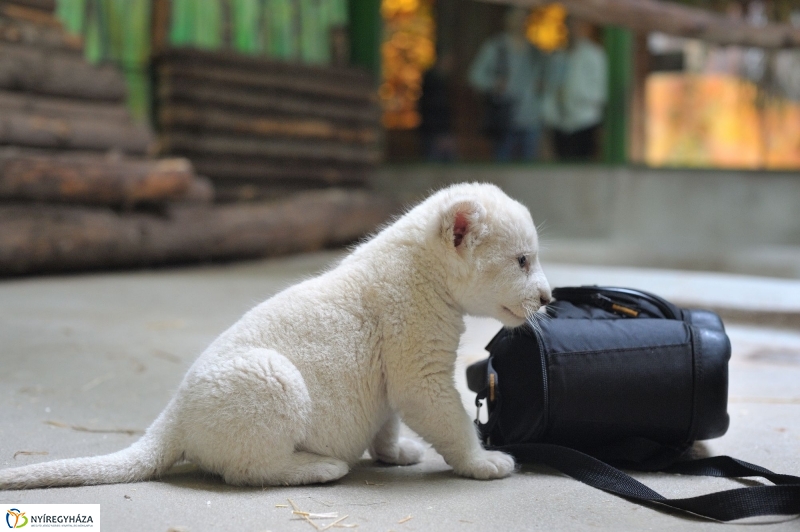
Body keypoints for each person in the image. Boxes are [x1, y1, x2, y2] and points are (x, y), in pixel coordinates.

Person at [469, 7, 547, 161]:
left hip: (531, 119)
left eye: (523, 17)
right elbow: (475, 76)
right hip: (505, 119)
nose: (520, 21)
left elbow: (544, 80)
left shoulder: (535, 51)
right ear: (507, 19)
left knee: (529, 170)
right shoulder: (495, 47)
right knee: (502, 168)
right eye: (516, 16)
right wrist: (494, 85)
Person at [543, 17, 608, 161]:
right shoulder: (558, 57)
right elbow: (550, 88)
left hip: (585, 122)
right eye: (569, 25)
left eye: (577, 25)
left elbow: (600, 93)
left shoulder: (594, 55)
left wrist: (574, 94)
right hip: (560, 123)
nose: (573, 30)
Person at [418, 51, 458, 162]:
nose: (451, 65)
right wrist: (441, 134)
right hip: (434, 133)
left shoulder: (440, 81)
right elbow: (433, 109)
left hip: (437, 131)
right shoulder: (433, 83)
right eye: (449, 61)